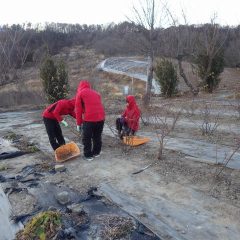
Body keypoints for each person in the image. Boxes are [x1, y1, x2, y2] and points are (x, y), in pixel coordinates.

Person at [75, 80, 105, 161]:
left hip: (89, 119)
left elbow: (78, 110)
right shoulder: (96, 93)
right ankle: (96, 152)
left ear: (80, 87)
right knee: (97, 136)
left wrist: (78, 124)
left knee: (87, 138)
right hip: (101, 118)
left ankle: (88, 156)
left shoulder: (80, 93)